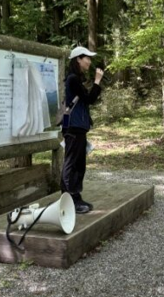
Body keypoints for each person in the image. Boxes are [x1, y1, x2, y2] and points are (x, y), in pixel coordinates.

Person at [61, 46, 103, 214]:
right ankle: (68, 198)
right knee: (71, 163)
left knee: (79, 164)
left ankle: (76, 197)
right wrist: (97, 81)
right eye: (87, 58)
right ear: (78, 59)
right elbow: (89, 99)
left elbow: (86, 100)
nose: (90, 61)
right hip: (73, 127)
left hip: (77, 128)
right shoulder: (72, 79)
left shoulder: (75, 79)